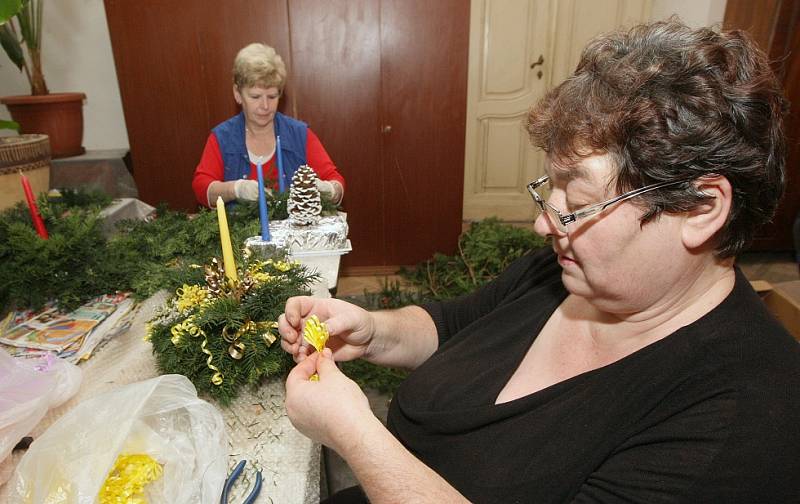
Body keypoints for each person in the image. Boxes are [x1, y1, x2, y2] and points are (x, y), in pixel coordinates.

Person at [279, 19, 800, 503]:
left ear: (702, 209)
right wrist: (373, 331)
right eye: (552, 188)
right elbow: (452, 325)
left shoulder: (746, 418)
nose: (545, 223)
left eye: (578, 201)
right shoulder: (569, 273)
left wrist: (356, 434)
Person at [192, 43, 345, 207]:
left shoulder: (299, 134)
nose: (265, 106)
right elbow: (201, 187)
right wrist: (235, 189)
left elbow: (335, 180)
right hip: (240, 232)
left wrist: (330, 190)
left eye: (272, 97)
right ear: (238, 94)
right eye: (255, 96)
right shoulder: (222, 137)